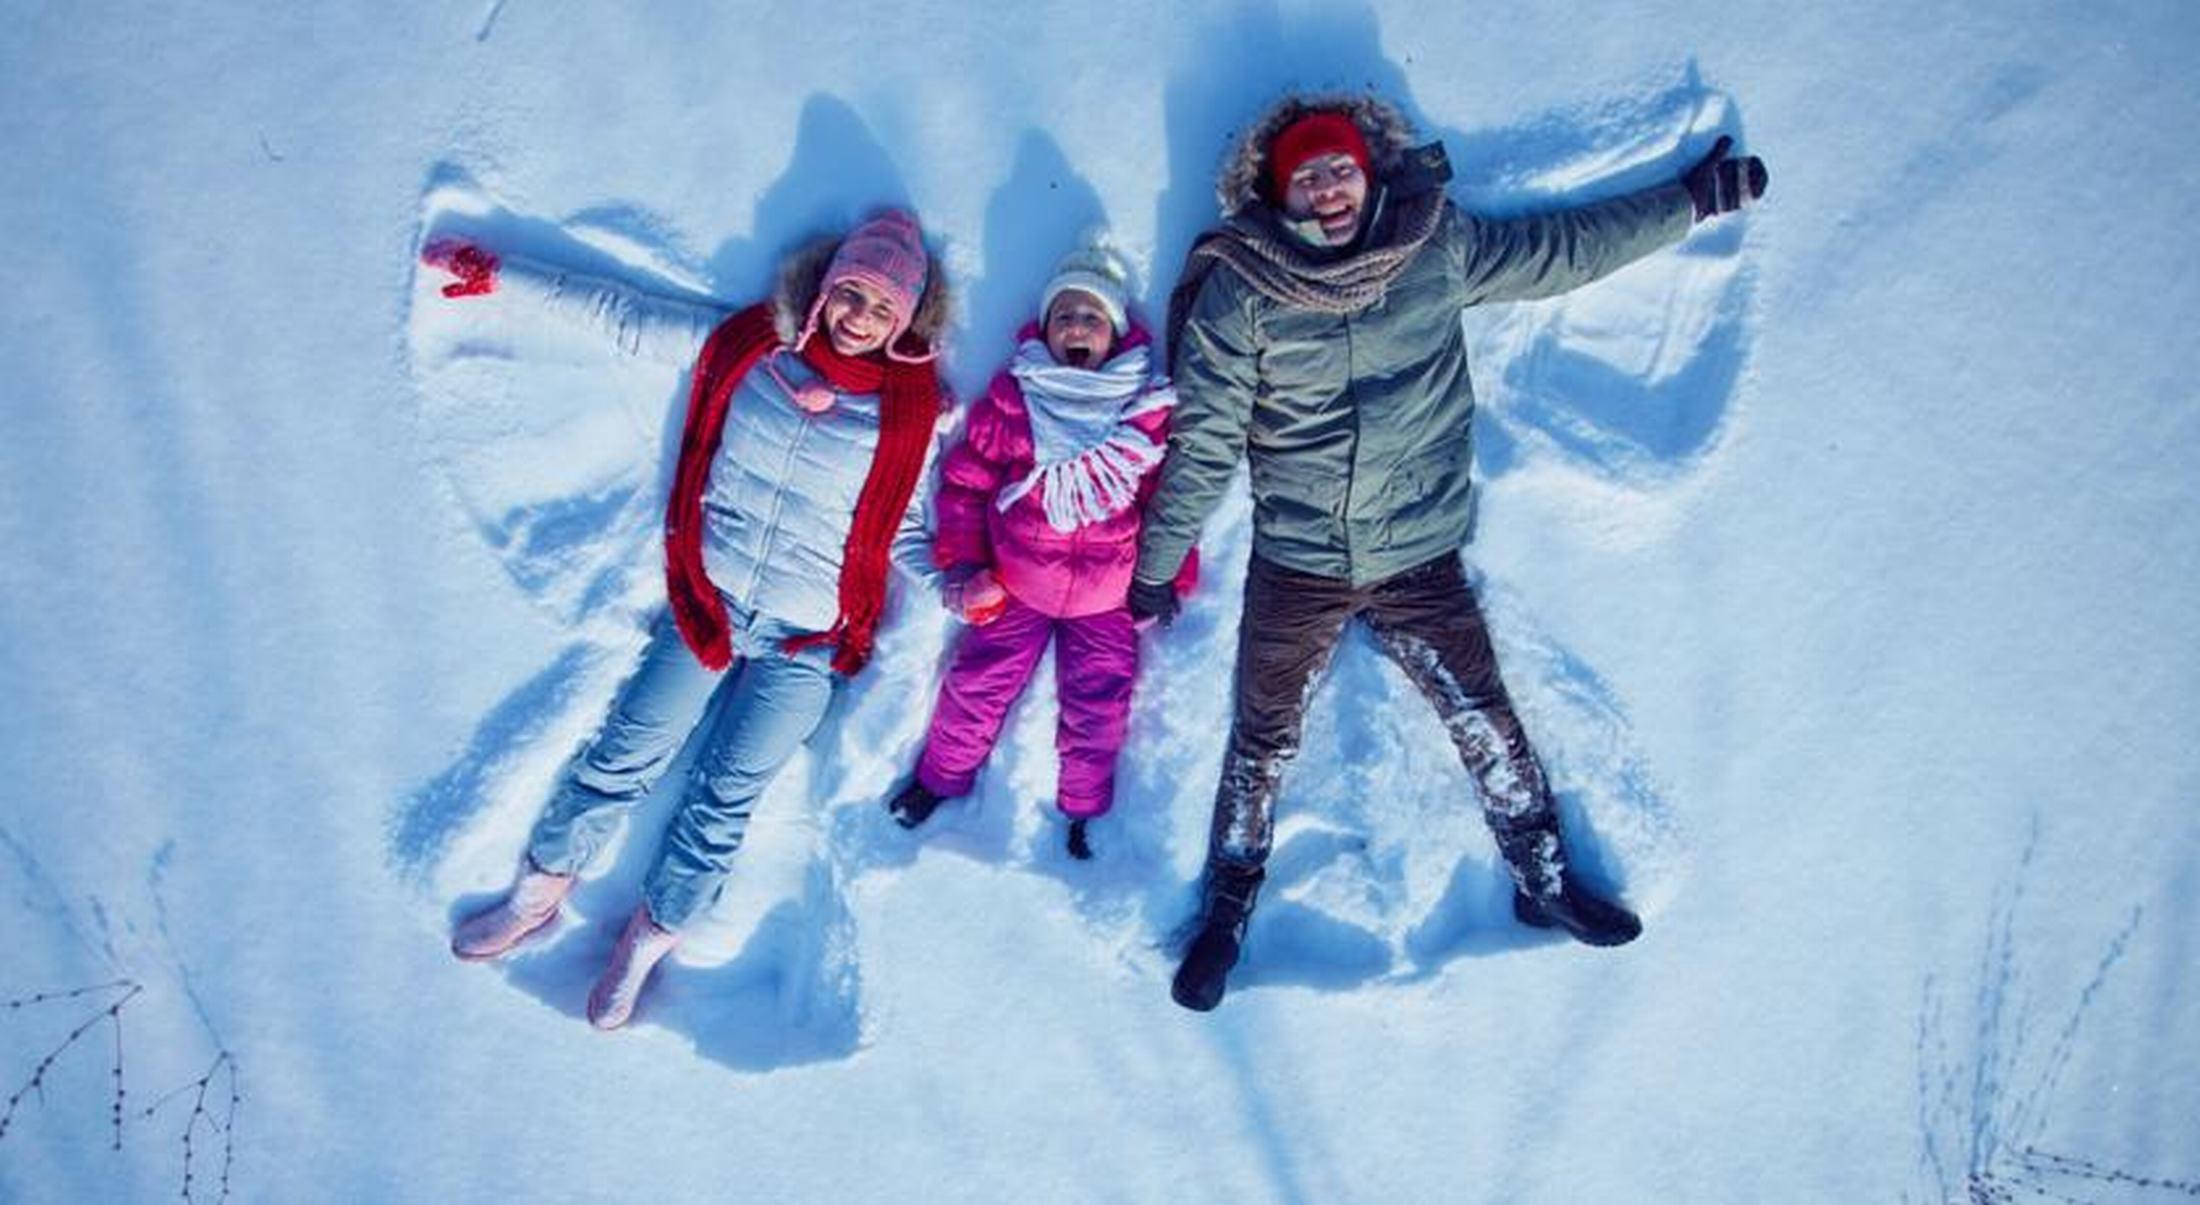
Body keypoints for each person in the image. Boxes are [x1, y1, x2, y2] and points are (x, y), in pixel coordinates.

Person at [1131, 93, 1767, 1011]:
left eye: (1340, 170)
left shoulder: (1431, 246)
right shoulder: (1243, 291)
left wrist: (1691, 202)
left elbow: (1563, 251)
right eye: (1307, 178)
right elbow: (1207, 441)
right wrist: (1158, 565)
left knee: (1483, 714)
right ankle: (1228, 912)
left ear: (1368, 172)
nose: (1328, 190)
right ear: (1279, 195)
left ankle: (1542, 877)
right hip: (1299, 560)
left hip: (1418, 551)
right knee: (1263, 735)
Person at [430, 210, 951, 1029]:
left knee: (724, 797)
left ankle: (646, 940)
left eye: (880, 310)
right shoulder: (750, 347)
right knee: (625, 751)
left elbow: (906, 528)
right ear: (823, 289)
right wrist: (502, 274)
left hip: (807, 642)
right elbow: (623, 316)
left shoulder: (910, 416)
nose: (858, 318)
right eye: (850, 295)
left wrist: (958, 584)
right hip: (710, 604)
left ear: (905, 322)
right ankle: (537, 894)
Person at [883, 237, 1196, 859]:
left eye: (1091, 318)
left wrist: (1168, 577)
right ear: (1045, 329)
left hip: (1107, 598)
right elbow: (969, 482)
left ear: (1114, 333)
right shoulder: (1015, 397)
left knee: (1098, 703)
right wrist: (967, 561)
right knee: (977, 684)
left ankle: (1083, 808)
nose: (1076, 327)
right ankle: (938, 778)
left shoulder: (1143, 410)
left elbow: (1168, 503)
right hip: (1015, 583)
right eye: (1064, 316)